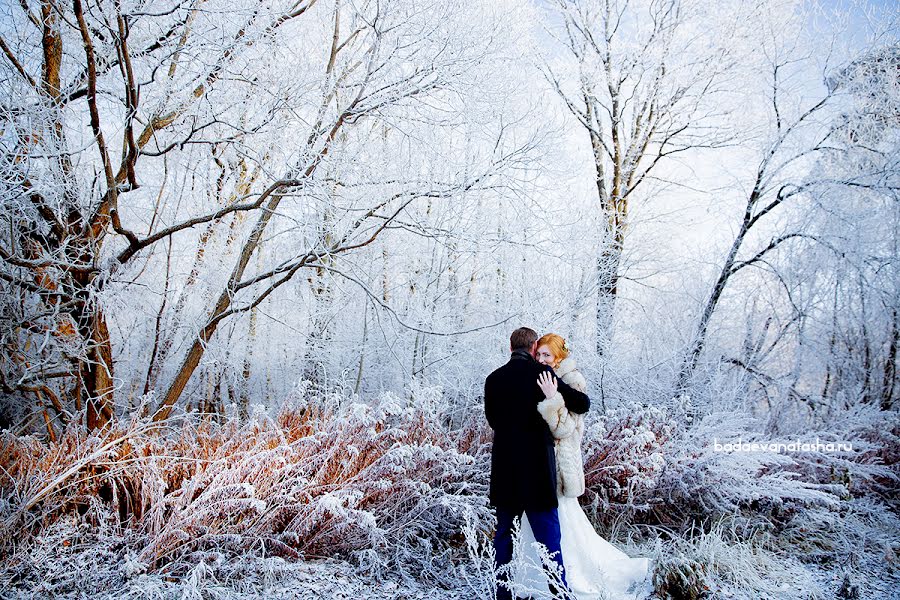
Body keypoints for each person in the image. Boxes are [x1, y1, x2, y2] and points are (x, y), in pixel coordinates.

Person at [515, 333, 651, 600]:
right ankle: (534, 580)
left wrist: (552, 399)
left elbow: (565, 429)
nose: (542, 360)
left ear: (559, 357)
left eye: (548, 356)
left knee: (563, 526)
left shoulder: (572, 381)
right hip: (538, 466)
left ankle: (572, 578)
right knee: (539, 525)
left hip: (560, 465)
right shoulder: (540, 378)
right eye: (538, 354)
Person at [484, 327, 591, 600]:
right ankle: (560, 594)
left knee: (504, 538)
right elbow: (582, 404)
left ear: (511, 348)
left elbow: (494, 422)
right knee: (549, 542)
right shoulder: (542, 375)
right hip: (537, 472)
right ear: (533, 349)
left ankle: (503, 594)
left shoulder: (492, 380)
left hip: (505, 471)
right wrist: (555, 393)